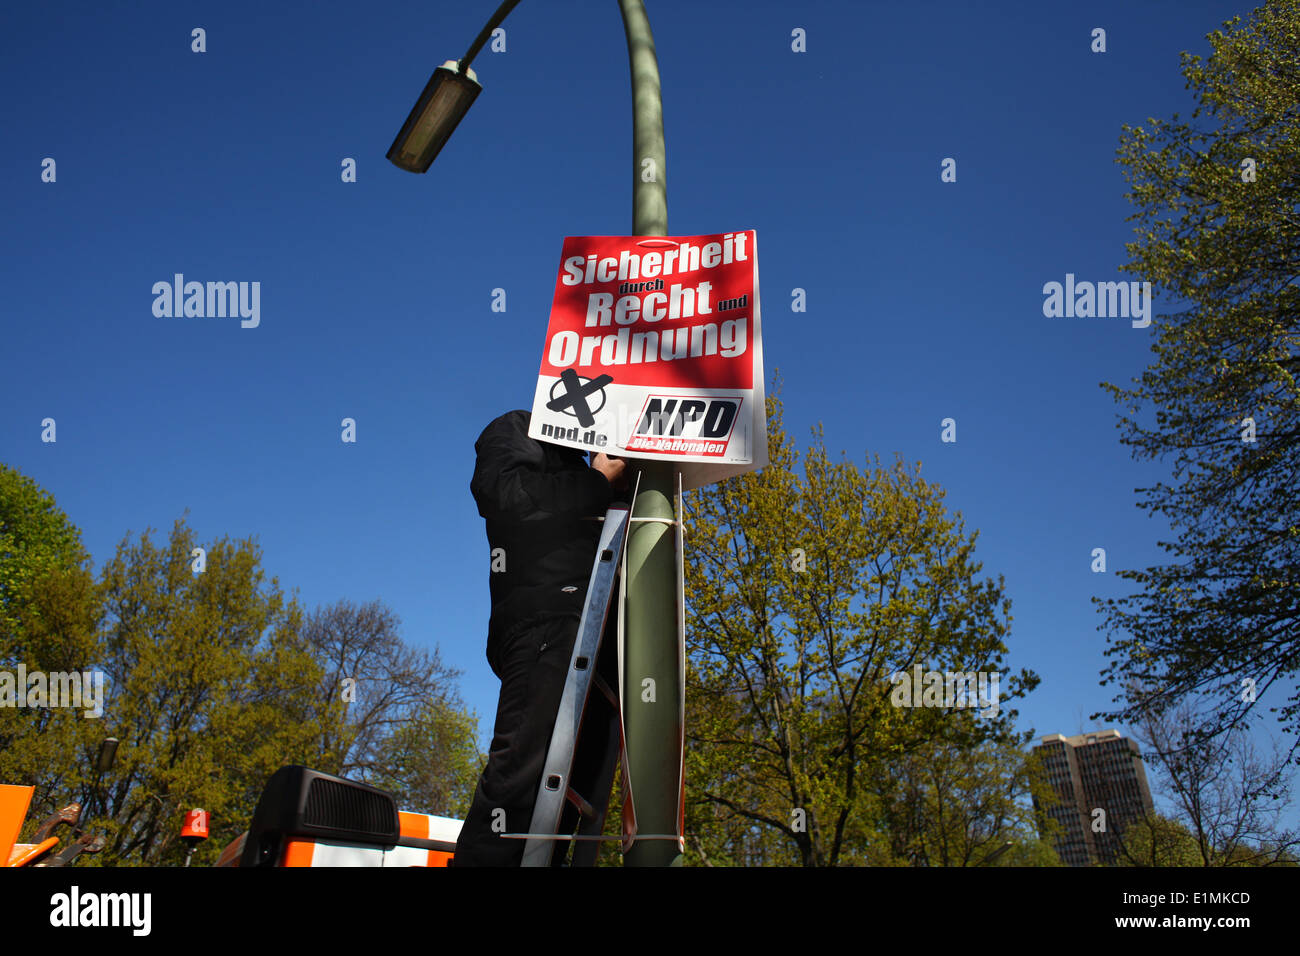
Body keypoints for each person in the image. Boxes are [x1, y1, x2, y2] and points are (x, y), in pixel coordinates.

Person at [453, 408, 627, 866]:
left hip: (597, 636)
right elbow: (501, 494)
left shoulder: (588, 460)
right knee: (523, 771)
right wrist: (597, 483)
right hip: (545, 622)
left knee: (573, 788)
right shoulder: (519, 427)